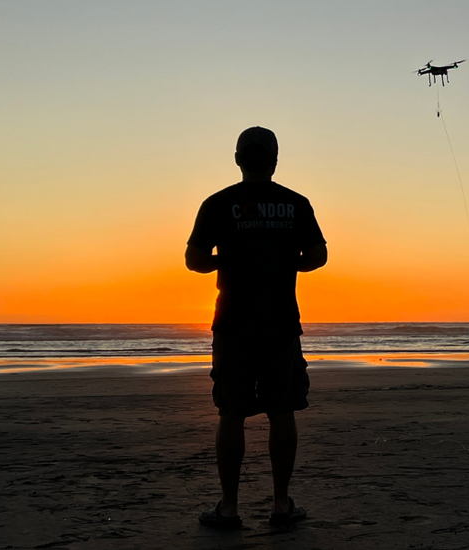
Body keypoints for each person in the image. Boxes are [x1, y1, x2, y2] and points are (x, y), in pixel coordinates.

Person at [186, 126, 327, 529]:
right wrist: (285, 261)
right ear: (275, 160)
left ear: (237, 159)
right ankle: (281, 505)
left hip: (232, 323)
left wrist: (228, 261)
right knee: (282, 411)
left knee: (231, 414)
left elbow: (194, 259)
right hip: (280, 323)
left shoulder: (218, 203)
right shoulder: (294, 203)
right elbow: (318, 255)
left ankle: (228, 508)